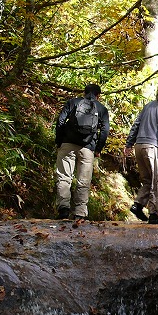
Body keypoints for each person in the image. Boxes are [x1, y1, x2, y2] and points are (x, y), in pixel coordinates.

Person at [124, 79, 158, 224]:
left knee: (147, 181)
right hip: (153, 148)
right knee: (157, 181)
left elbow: (136, 124)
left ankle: (138, 205)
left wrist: (129, 144)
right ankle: (154, 214)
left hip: (139, 146)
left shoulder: (148, 106)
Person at [54, 83, 110, 220]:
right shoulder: (101, 109)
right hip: (88, 148)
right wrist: (98, 149)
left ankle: (63, 210)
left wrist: (59, 141)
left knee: (64, 177)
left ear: (84, 93)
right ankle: (80, 213)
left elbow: (60, 121)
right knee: (83, 181)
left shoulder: (73, 102)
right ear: (98, 96)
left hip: (67, 144)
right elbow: (105, 131)